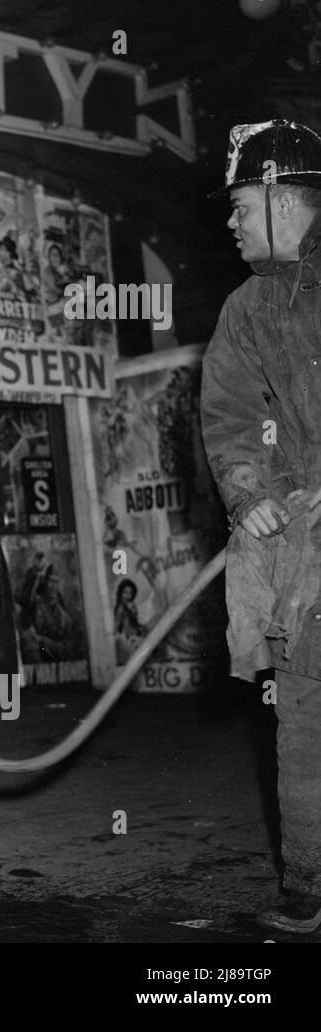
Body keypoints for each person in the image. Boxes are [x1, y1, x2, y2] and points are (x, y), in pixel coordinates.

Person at [201, 118, 321, 934]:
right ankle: (308, 882)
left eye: (242, 204)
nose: (232, 222)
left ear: (281, 195)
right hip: (304, 553)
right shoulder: (247, 307)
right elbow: (231, 417)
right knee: (304, 706)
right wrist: (249, 495)